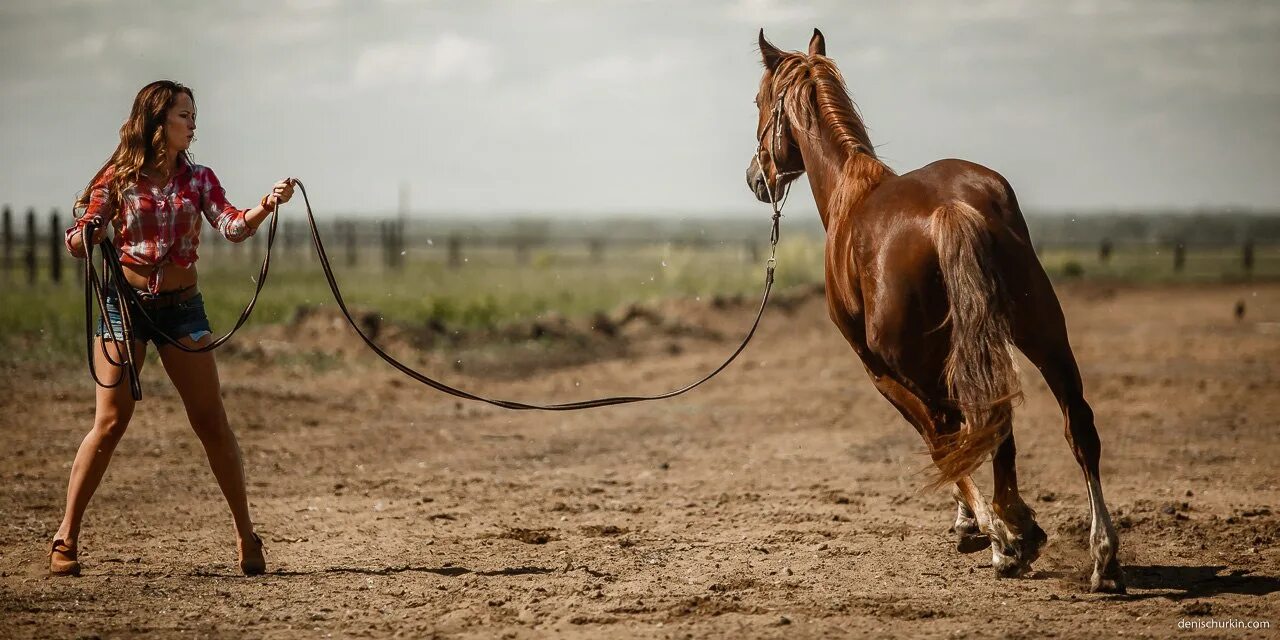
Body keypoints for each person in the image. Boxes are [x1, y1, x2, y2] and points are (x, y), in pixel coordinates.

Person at [52, 80, 294, 577]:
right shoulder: (117, 178)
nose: (193, 124)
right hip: (125, 308)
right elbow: (82, 235)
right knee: (111, 420)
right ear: (158, 121)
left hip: (182, 309)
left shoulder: (200, 179)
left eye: (193, 115)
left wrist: (266, 205)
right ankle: (66, 537)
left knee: (210, 421)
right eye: (185, 115)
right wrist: (87, 234)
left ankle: (246, 534)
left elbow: (231, 225)